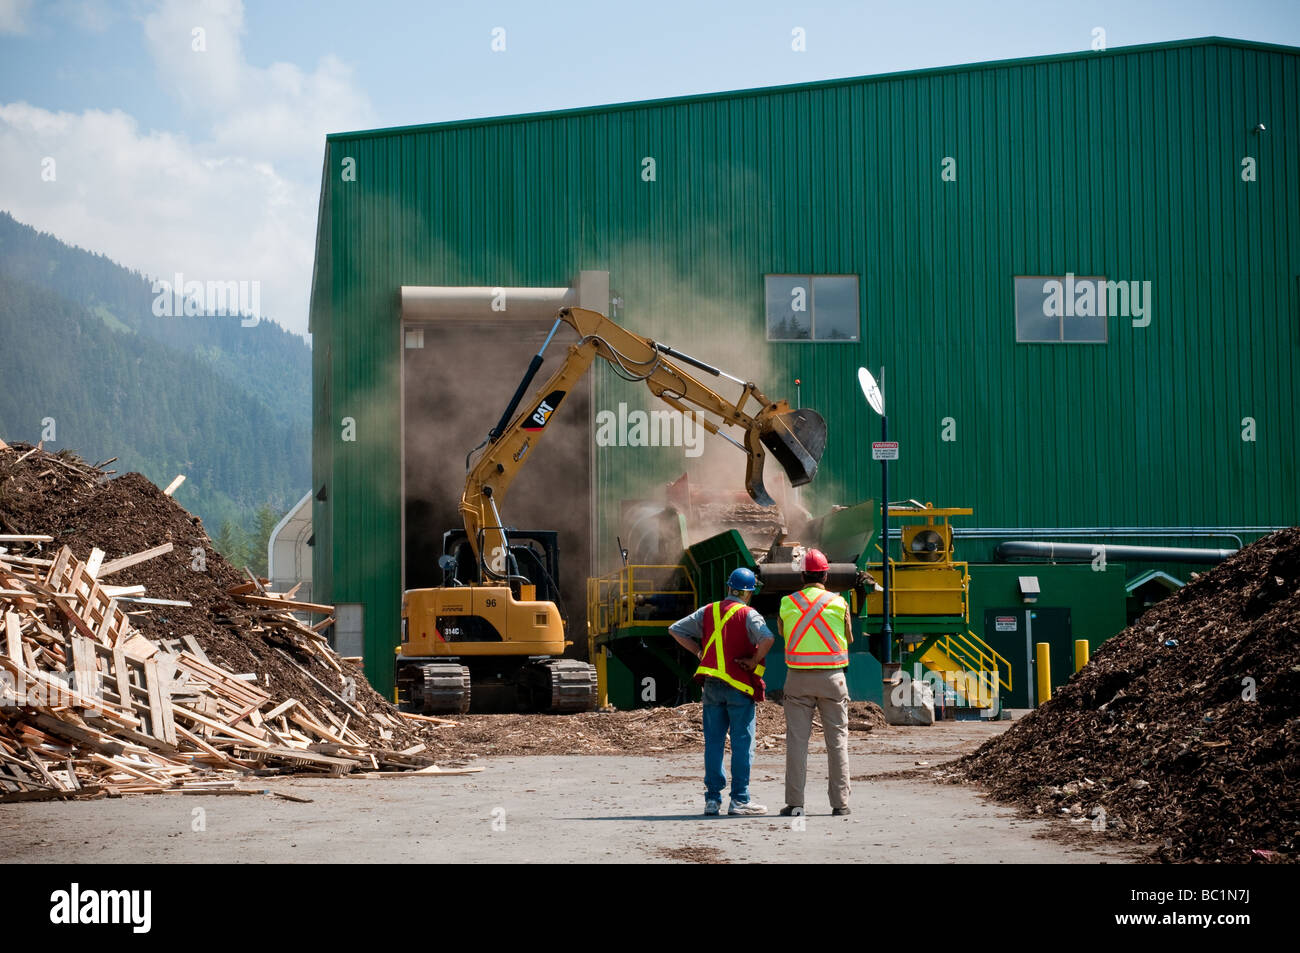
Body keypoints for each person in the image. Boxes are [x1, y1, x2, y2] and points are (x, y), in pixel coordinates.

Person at [669, 567, 776, 816]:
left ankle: (712, 800)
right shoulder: (750, 614)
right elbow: (768, 638)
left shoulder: (708, 611)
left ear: (729, 588)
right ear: (748, 593)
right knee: (741, 743)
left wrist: (698, 652)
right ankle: (739, 800)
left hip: (712, 687)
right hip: (739, 687)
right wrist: (753, 661)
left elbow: (675, 629)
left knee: (714, 744)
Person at [778, 548, 853, 817]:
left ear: (802, 575)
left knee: (797, 742)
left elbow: (783, 632)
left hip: (798, 679)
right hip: (832, 678)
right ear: (826, 574)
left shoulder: (787, 603)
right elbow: (849, 637)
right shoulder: (839, 602)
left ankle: (796, 803)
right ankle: (840, 804)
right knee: (837, 742)